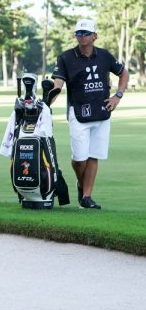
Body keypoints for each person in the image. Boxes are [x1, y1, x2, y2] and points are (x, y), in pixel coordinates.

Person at [51, 19, 129, 209]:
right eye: (79, 33)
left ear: (95, 35)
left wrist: (117, 96)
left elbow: (124, 73)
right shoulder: (66, 57)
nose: (82, 36)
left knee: (94, 156)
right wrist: (48, 101)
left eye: (86, 33)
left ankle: (86, 197)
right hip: (78, 113)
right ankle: (81, 183)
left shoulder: (104, 55)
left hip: (102, 112)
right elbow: (57, 84)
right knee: (79, 159)